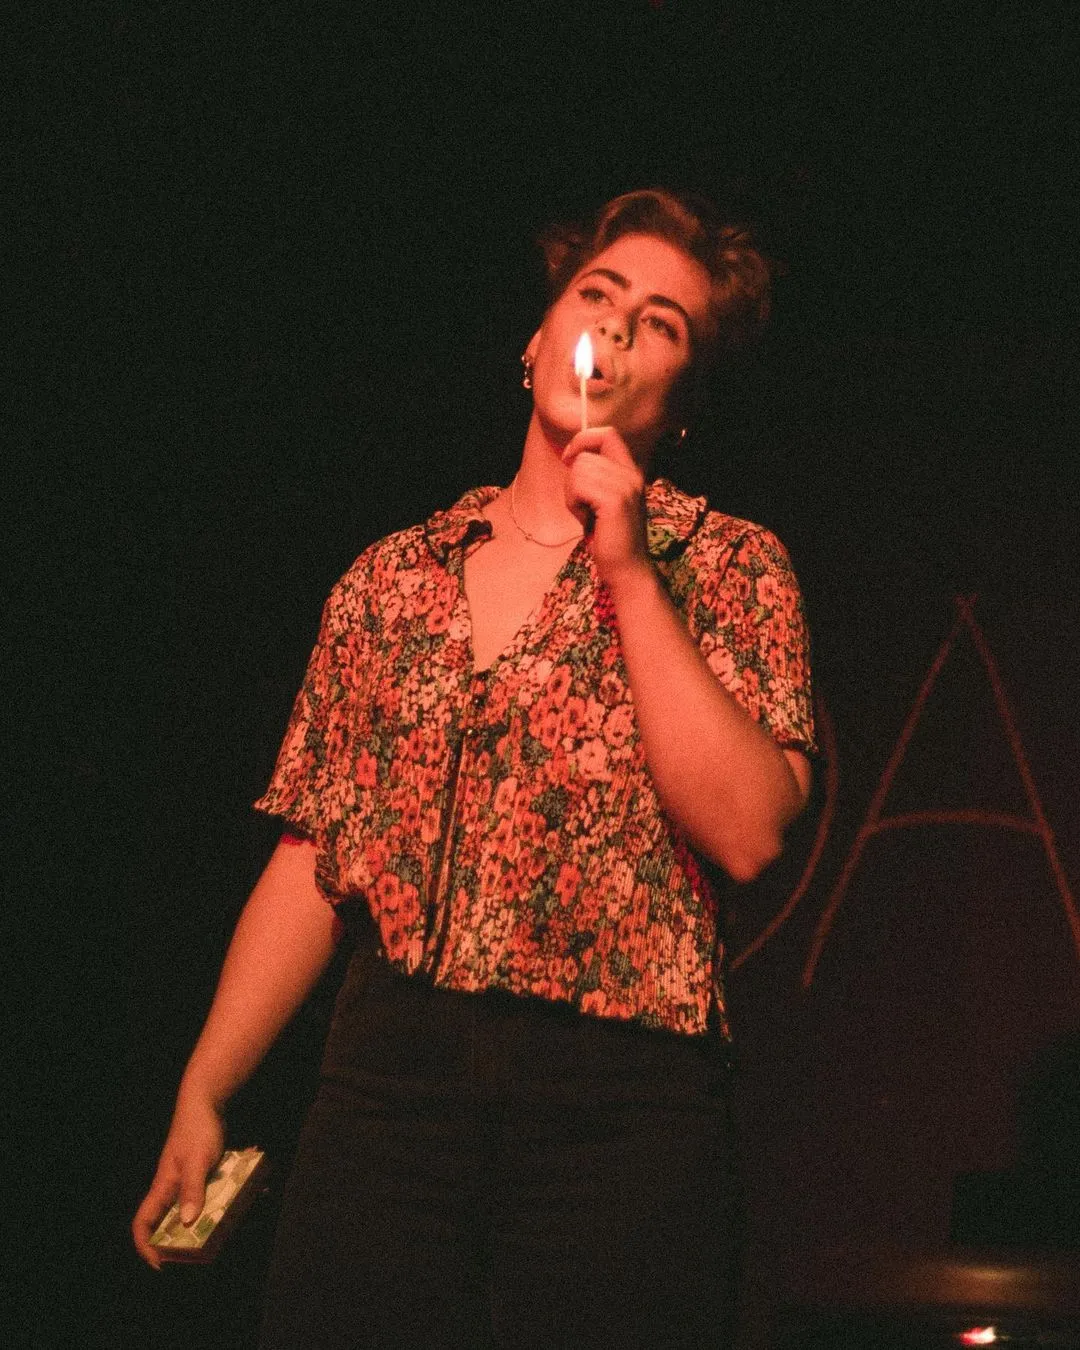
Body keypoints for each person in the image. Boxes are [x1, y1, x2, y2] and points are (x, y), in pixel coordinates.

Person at [133, 188, 817, 1348]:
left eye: (661, 322)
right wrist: (207, 1086)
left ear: (679, 399)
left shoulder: (730, 567)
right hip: (389, 1099)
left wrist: (634, 575)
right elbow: (315, 856)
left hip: (620, 1110)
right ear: (537, 341)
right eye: (598, 297)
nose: (617, 328)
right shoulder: (390, 580)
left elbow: (751, 831)